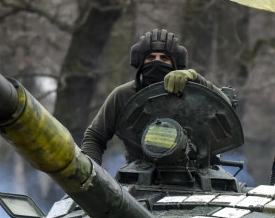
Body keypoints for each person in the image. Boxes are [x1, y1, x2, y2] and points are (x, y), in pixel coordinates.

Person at [81, 29, 225, 163]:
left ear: (176, 63)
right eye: (150, 57)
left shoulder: (193, 93)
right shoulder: (123, 95)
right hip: (137, 178)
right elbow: (94, 137)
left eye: (164, 58)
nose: (157, 62)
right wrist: (91, 175)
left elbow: (226, 107)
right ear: (140, 61)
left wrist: (196, 79)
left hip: (192, 176)